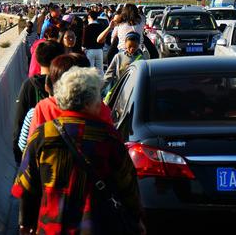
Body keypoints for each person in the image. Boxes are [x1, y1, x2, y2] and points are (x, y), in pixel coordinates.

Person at [13, 68, 143, 234]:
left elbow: (26, 186)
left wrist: (25, 223)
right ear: (89, 102)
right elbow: (128, 186)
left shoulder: (42, 135)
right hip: (97, 226)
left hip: (52, 227)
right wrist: (137, 219)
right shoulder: (109, 137)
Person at [14, 41, 66, 163]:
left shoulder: (29, 85)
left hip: (35, 152)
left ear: (37, 59)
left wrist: (19, 160)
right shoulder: (66, 84)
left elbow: (19, 122)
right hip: (61, 153)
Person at [104, 32, 149, 98]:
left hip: (135, 92)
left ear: (139, 45)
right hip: (120, 92)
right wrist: (98, 89)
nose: (132, 49)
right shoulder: (118, 57)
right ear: (125, 44)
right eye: (129, 46)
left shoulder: (142, 59)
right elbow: (108, 75)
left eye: (135, 47)